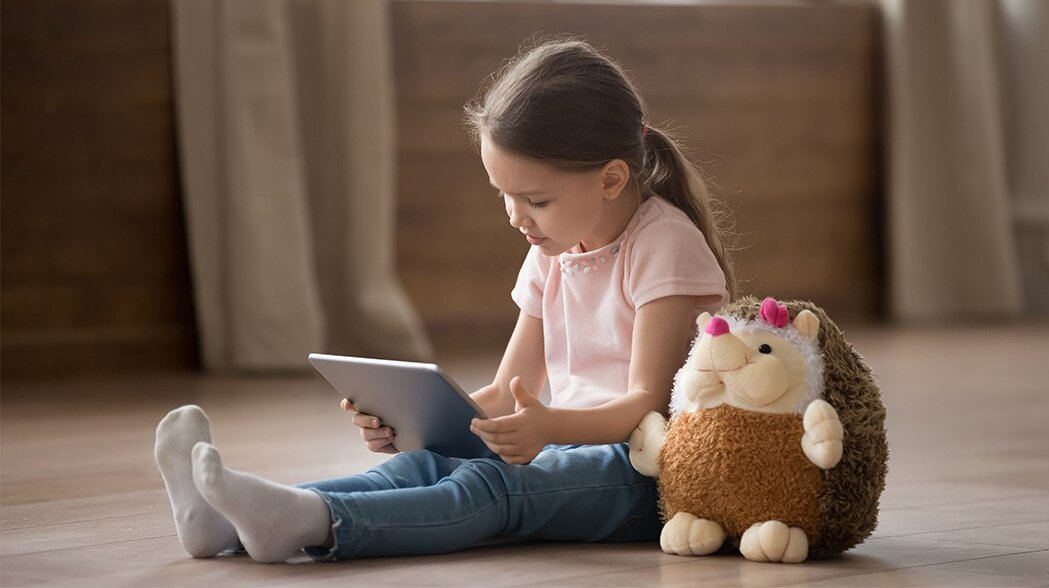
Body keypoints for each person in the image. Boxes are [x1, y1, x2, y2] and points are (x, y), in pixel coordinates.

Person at [154, 38, 736, 563]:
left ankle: (317, 523)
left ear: (610, 179)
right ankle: (230, 521)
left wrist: (548, 427)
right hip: (570, 451)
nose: (515, 217)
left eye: (534, 198)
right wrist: (417, 422)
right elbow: (511, 392)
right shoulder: (551, 251)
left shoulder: (664, 247)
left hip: (644, 472)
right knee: (426, 466)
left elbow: (649, 405)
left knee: (491, 489)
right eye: (504, 195)